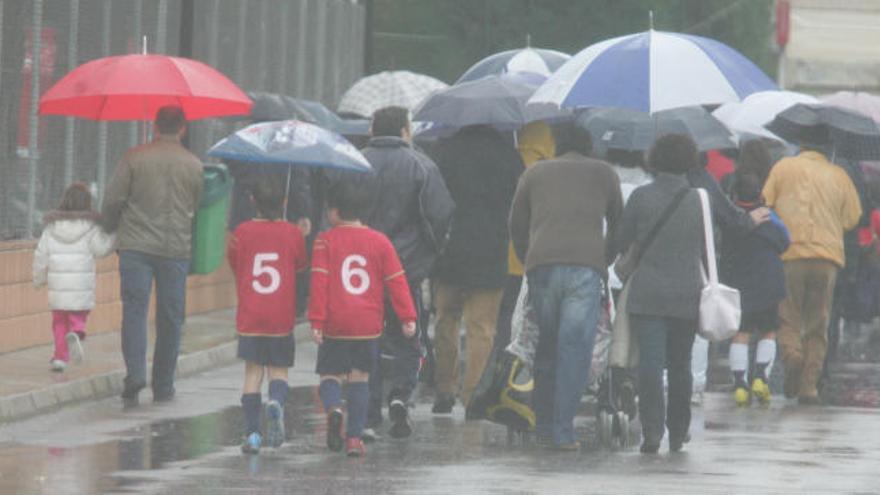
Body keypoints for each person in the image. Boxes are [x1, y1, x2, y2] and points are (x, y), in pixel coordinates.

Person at [509, 125, 623, 450]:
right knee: (574, 348)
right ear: (589, 145)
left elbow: (516, 222)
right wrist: (605, 256)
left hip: (541, 265)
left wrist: (527, 257)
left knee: (546, 343)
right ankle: (562, 432)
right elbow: (619, 221)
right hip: (586, 268)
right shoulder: (605, 173)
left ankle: (542, 425)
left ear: (557, 145)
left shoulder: (535, 173)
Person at [347, 106, 454, 440]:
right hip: (404, 270)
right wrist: (428, 257)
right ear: (406, 131)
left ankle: (368, 409)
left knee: (367, 339)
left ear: (372, 129)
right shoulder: (421, 165)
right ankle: (401, 395)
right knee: (409, 335)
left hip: (359, 271)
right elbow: (440, 214)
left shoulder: (353, 162)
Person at [102, 105, 204, 407]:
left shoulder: (134, 158)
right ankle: (164, 383)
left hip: (136, 247)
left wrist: (109, 227)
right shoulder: (195, 165)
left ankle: (135, 374)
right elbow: (195, 207)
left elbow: (113, 200)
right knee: (171, 317)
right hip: (174, 250)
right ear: (183, 129)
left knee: (134, 310)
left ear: (155, 126)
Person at [309, 178, 417, 457]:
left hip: (335, 323)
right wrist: (408, 316)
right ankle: (355, 439)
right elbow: (397, 281)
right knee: (361, 379)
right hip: (368, 325)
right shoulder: (380, 242)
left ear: (333, 211)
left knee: (329, 374)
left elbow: (319, 283)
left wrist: (316, 321)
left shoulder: (324, 241)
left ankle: (334, 409)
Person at [613, 134, 704, 454]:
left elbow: (622, 241)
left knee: (650, 363)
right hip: (687, 294)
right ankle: (678, 431)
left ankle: (652, 432)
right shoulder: (699, 199)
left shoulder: (640, 196)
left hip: (648, 293)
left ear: (655, 158)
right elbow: (709, 249)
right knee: (681, 365)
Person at [430, 125, 523, 415]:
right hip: (491, 248)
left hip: (450, 250)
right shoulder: (510, 156)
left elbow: (435, 200)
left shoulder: (444, 152)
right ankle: (473, 397)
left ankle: (445, 389)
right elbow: (517, 202)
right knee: (481, 328)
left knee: (446, 319)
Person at [762, 139, 862, 404]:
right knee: (819, 323)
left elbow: (765, 203)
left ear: (800, 144)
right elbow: (853, 217)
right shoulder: (839, 174)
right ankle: (809, 386)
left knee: (788, 316)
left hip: (790, 253)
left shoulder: (783, 168)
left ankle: (793, 357)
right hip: (827, 257)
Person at [227, 176, 307, 454]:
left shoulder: (242, 232)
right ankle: (276, 402)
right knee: (278, 371)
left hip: (250, 315)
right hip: (280, 317)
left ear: (252, 201)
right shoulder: (292, 233)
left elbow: (235, 263)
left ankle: (251, 434)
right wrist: (300, 235)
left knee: (252, 372)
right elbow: (299, 265)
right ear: (284, 202)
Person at [721, 173, 790, 407]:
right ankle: (761, 378)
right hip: (769, 282)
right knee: (769, 331)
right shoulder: (770, 218)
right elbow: (785, 241)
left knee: (741, 333)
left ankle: (740, 385)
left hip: (741, 284)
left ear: (734, 195)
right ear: (760, 194)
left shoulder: (732, 219)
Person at [33, 183, 115, 372]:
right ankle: (77, 331)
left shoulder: (51, 227)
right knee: (77, 314)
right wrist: (114, 237)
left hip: (58, 287)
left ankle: (60, 358)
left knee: (59, 322)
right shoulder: (91, 227)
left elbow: (40, 255)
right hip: (81, 286)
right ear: (87, 203)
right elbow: (100, 250)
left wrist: (38, 278)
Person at [497, 121, 556, 349]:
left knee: (503, 314)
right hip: (536, 253)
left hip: (505, 252)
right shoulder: (549, 169)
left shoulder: (509, 160)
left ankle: (500, 364)